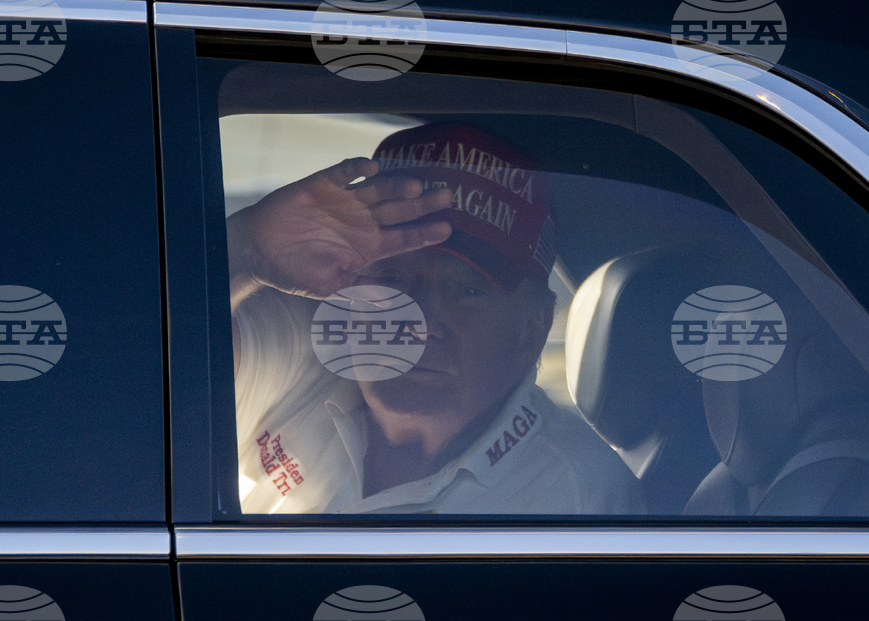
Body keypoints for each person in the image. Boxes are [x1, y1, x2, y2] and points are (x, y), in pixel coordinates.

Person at [228, 123, 643, 513]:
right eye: (391, 280)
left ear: (532, 327)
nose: (418, 324)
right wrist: (245, 250)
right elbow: (187, 358)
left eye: (468, 292)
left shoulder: (578, 494)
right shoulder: (300, 348)